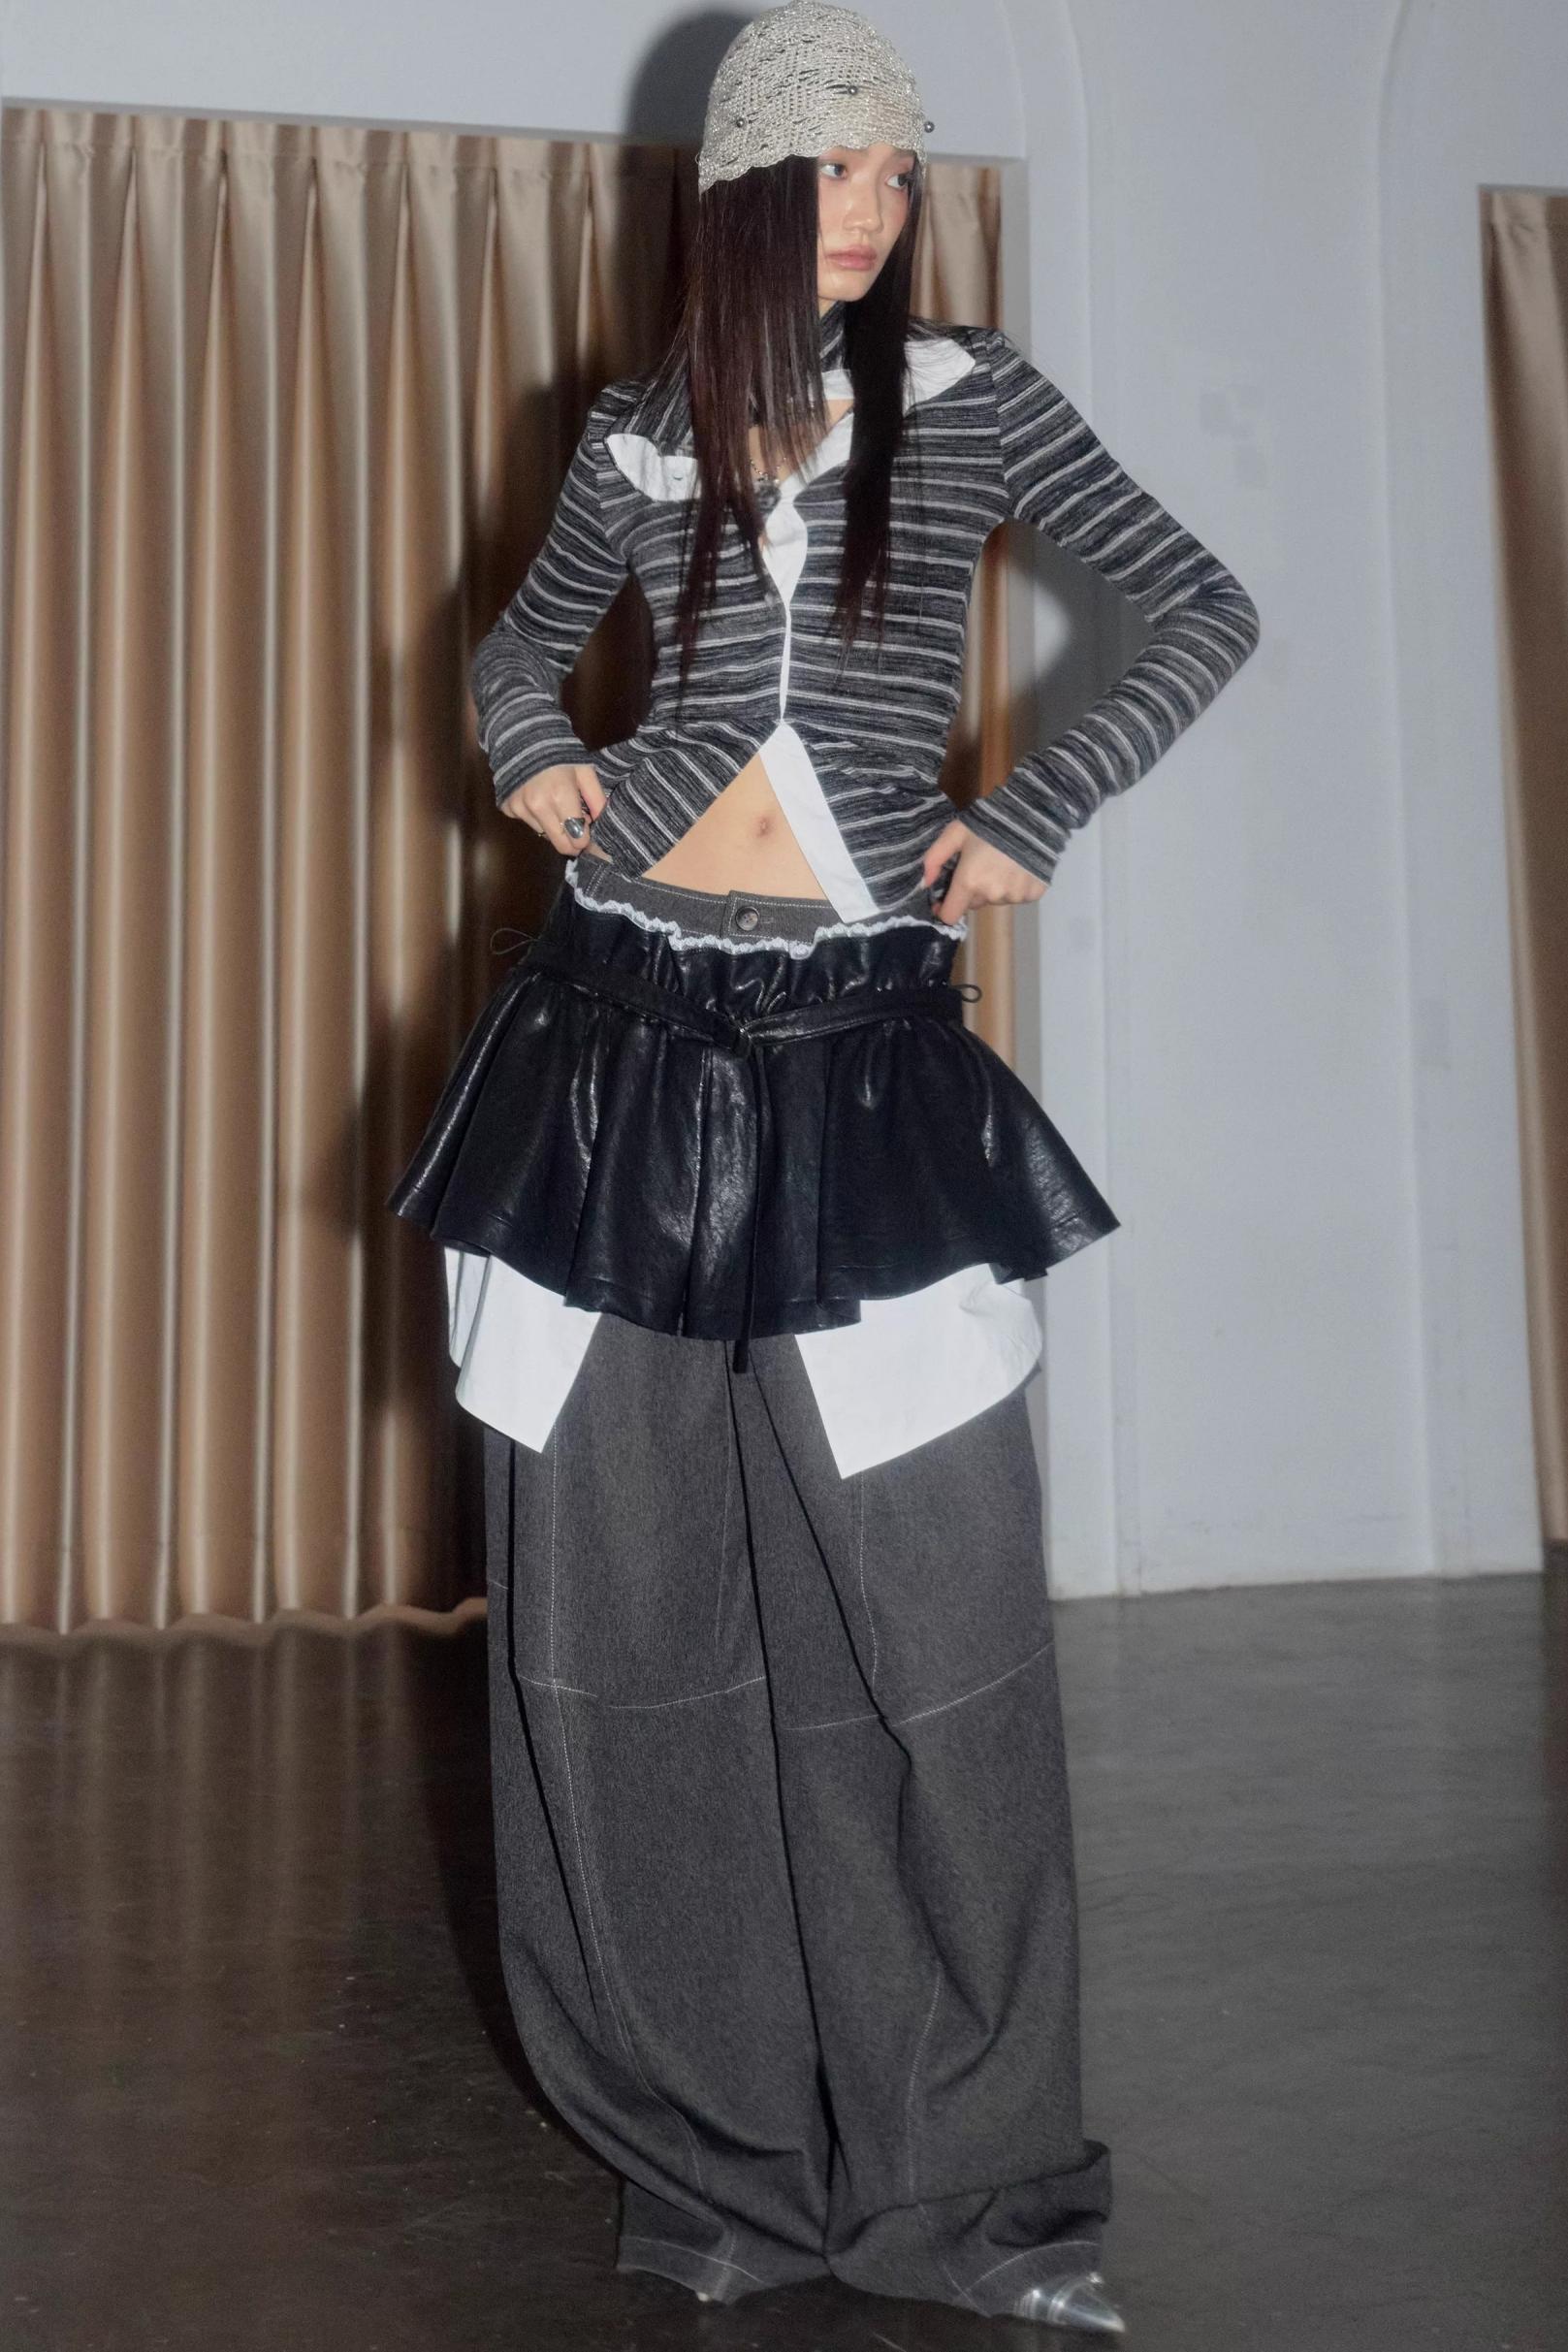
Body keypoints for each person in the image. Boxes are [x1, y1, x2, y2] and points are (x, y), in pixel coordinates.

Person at [387, 0, 1260, 2330]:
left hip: (859, 1064)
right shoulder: (636, 430)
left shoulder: (970, 401)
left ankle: (973, 2197)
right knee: (621, 1633)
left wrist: (1033, 804)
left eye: (895, 168)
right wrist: (528, 753)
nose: (871, 207)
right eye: (832, 169)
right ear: (742, 192)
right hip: (608, 1048)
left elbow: (1198, 603)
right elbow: (510, 656)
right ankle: (716, 2171)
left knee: (930, 1642)